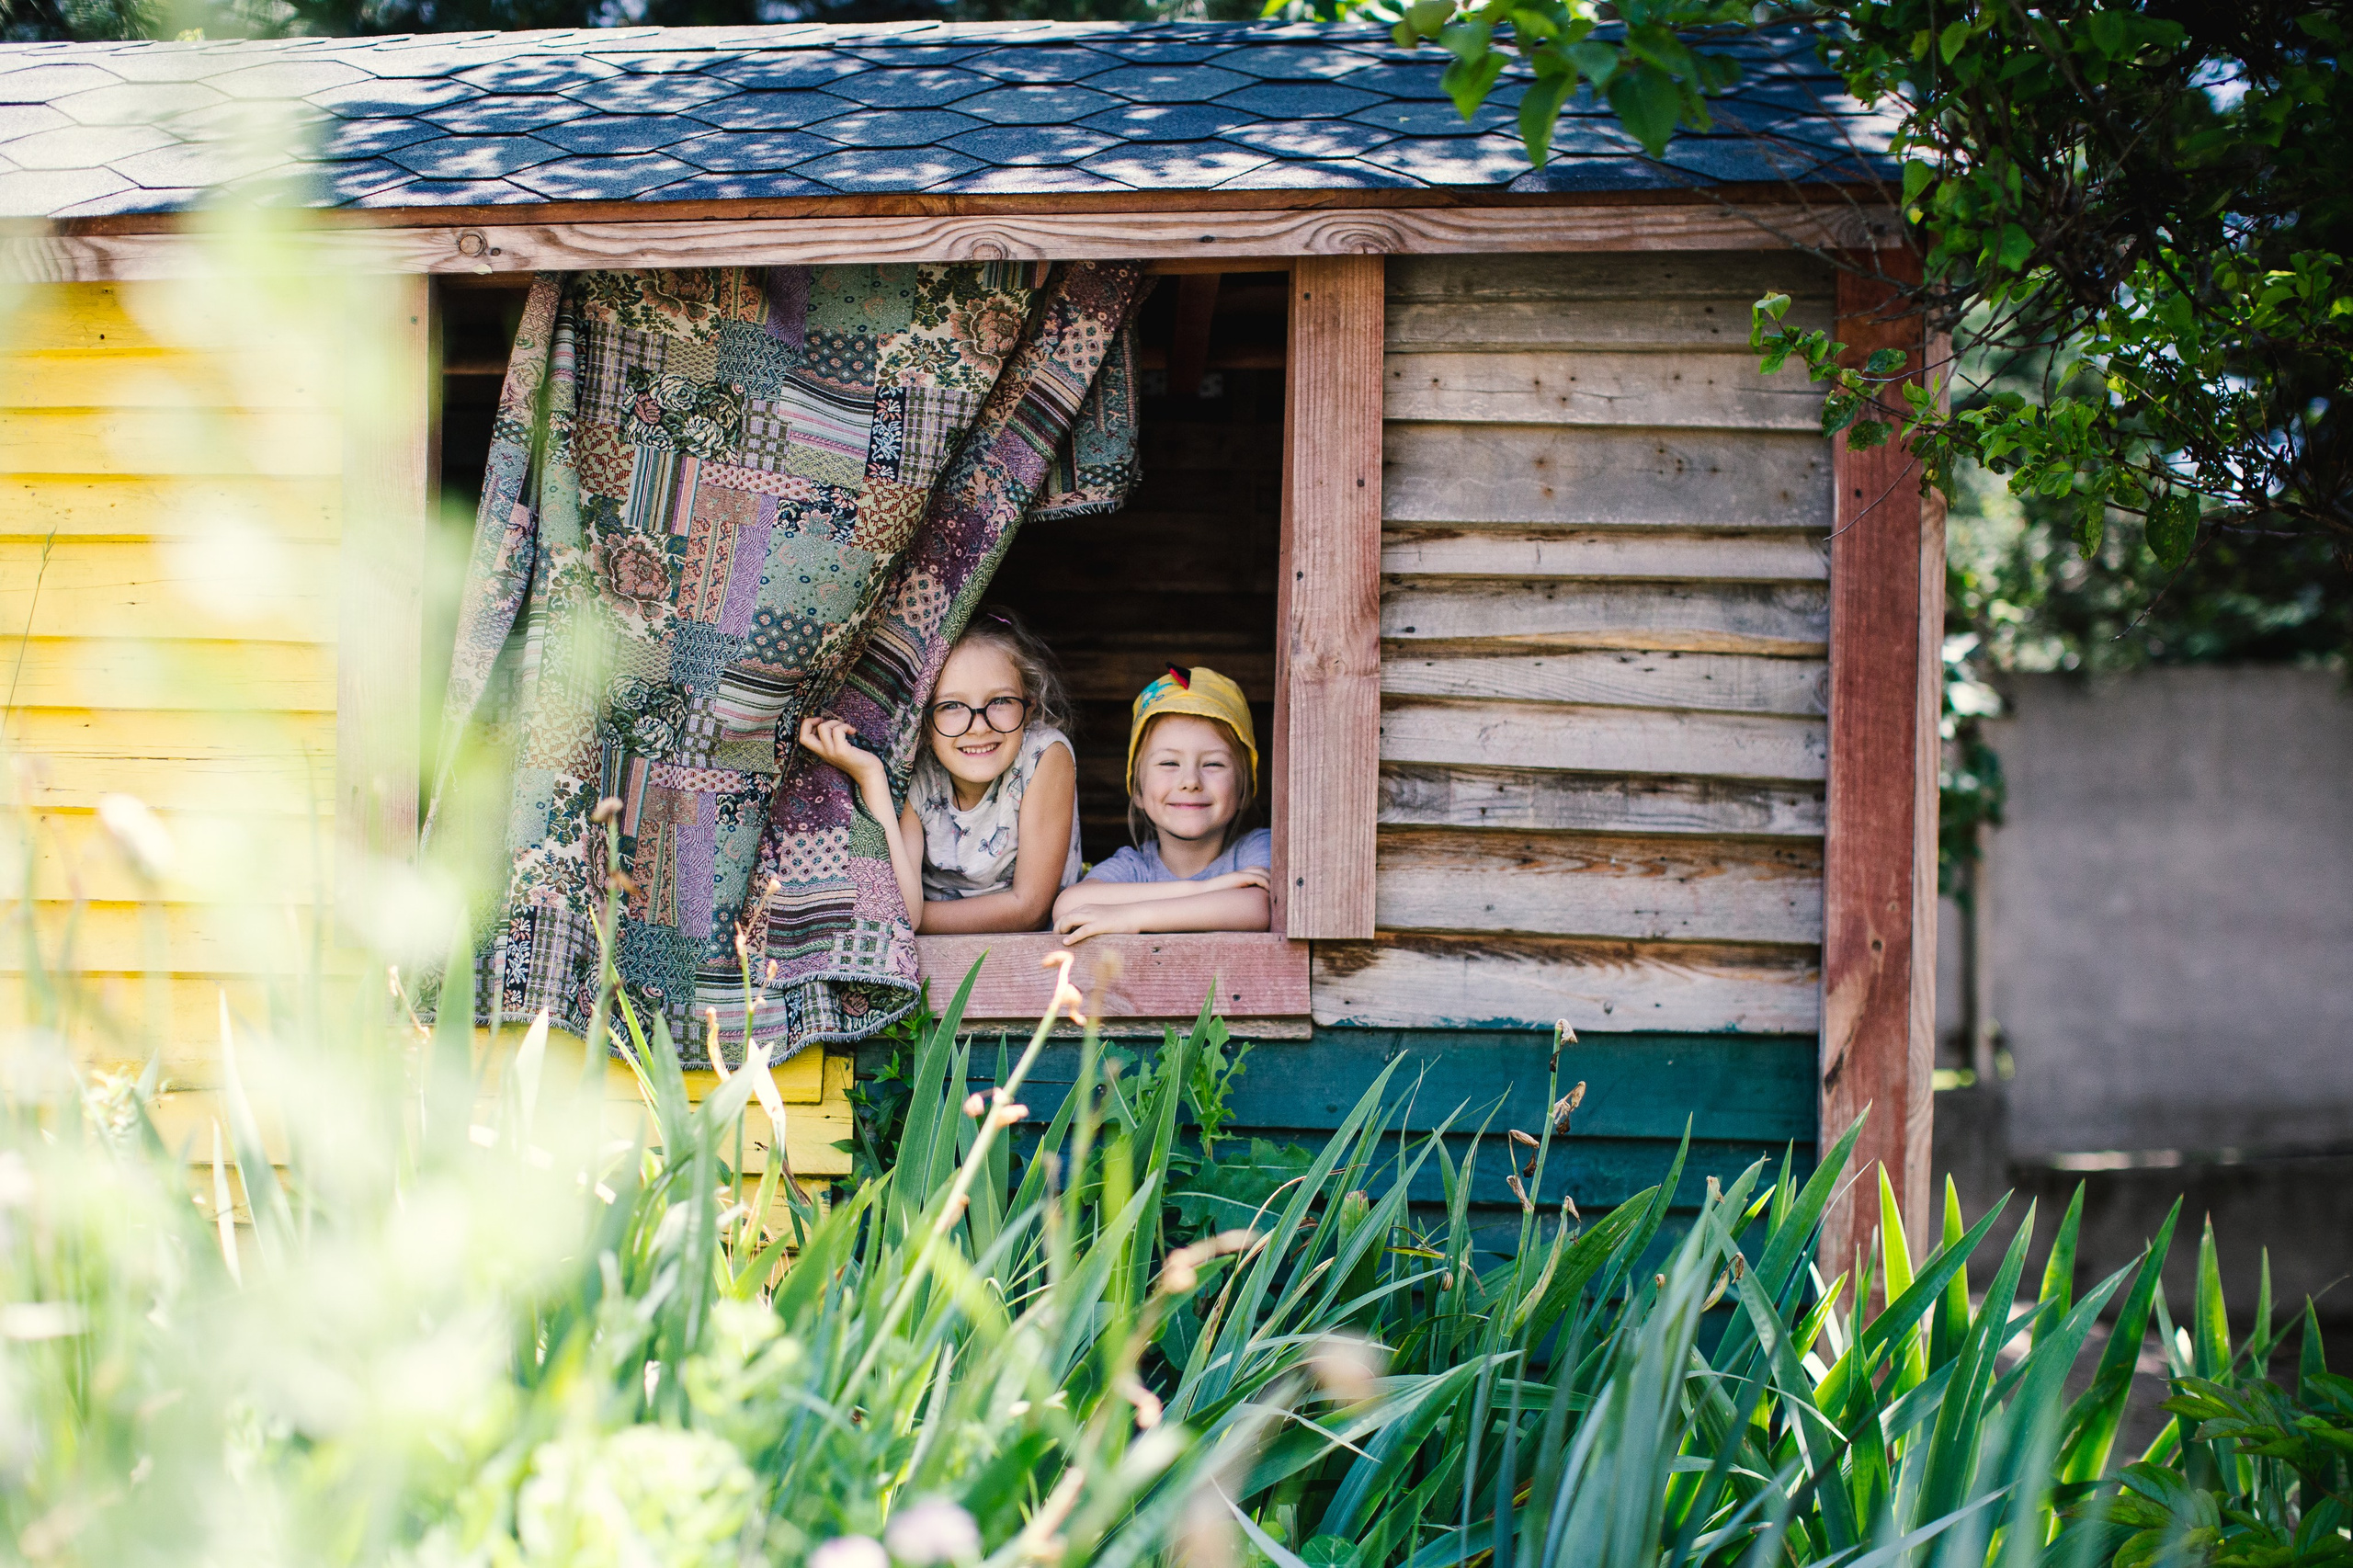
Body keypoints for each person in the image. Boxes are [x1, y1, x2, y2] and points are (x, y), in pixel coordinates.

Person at [798, 610, 1081, 934]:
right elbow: (908, 910)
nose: (978, 727)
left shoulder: (1044, 755)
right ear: (926, 722)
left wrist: (899, 919)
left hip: (1032, 961)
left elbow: (1028, 909)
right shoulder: (917, 773)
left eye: (1000, 701)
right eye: (951, 706)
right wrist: (872, 777)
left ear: (1028, 705)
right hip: (934, 964)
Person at [1051, 665, 1271, 944]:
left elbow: (1258, 908)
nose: (1190, 781)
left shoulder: (1256, 849)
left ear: (1244, 791)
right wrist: (1203, 888)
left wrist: (1131, 918)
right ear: (1139, 791)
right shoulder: (1133, 867)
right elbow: (1068, 905)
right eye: (1169, 763)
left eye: (1213, 763)